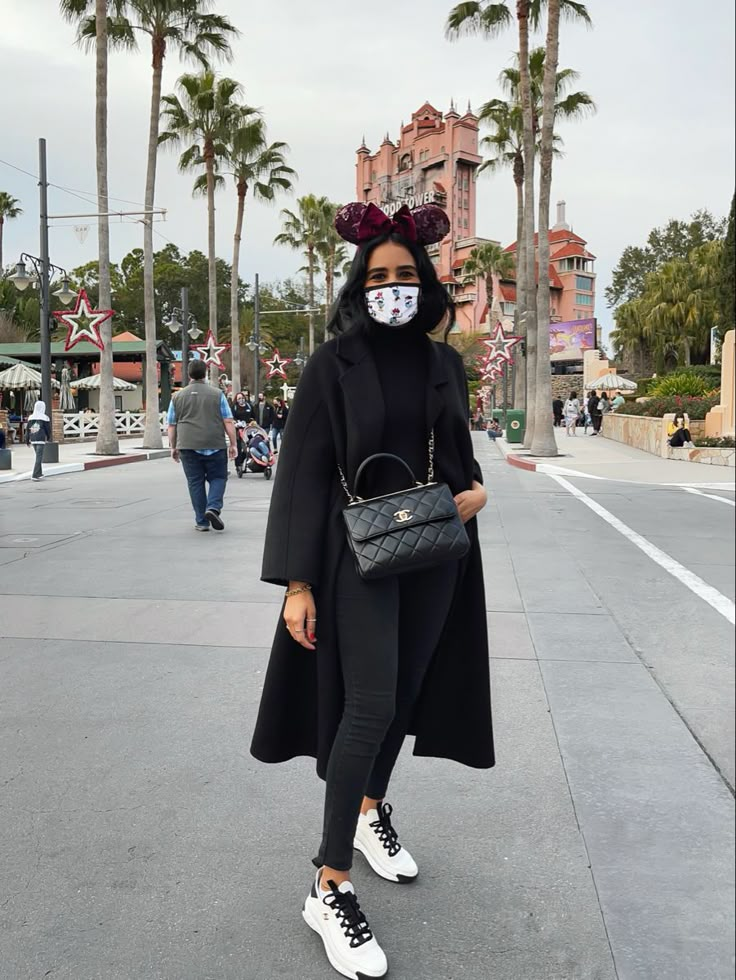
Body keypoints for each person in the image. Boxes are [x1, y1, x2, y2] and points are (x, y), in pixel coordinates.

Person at [250, 201, 494, 980]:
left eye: (405, 275)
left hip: (434, 550)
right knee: (370, 705)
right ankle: (329, 882)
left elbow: (460, 455)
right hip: (352, 555)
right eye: (379, 275)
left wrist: (477, 490)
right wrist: (295, 583)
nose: (393, 286)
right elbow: (302, 471)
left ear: (425, 283)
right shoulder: (333, 364)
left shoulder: (443, 364)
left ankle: (367, 810)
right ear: (361, 285)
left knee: (411, 691)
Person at [166, 359, 238, 532]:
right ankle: (213, 507)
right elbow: (228, 420)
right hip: (215, 443)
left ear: (189, 375)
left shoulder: (177, 397)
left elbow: (171, 425)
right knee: (218, 478)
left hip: (188, 445)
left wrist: (173, 446)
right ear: (205, 373)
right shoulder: (218, 394)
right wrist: (233, 443)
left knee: (195, 482)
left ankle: (202, 521)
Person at [25, 400, 51, 481]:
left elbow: (28, 430)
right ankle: (35, 475)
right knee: (39, 457)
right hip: (41, 439)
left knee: (38, 456)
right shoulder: (45, 418)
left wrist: (27, 440)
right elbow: (47, 429)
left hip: (33, 438)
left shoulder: (31, 417)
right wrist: (49, 437)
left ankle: (39, 473)